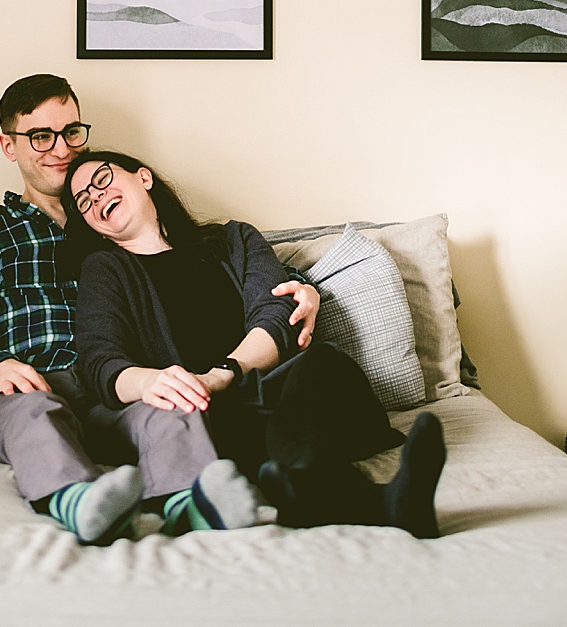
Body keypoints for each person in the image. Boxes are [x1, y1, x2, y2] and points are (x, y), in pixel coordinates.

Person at [0, 74, 322, 545]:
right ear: (9, 146)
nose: (61, 148)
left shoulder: (115, 222)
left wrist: (302, 287)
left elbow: (197, 269)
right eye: (40, 136)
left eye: (71, 131)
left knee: (171, 404)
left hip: (113, 390)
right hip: (27, 385)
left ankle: (191, 502)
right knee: (34, 411)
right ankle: (79, 500)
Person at [62, 150, 448, 537]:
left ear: (143, 178)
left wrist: (223, 373)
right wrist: (152, 383)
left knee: (323, 364)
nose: (95, 197)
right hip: (204, 414)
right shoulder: (104, 270)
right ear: (94, 226)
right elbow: (100, 361)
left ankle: (303, 487)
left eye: (102, 179)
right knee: (267, 438)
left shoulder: (234, 239)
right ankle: (351, 497)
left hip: (286, 396)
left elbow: (277, 315)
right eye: (83, 201)